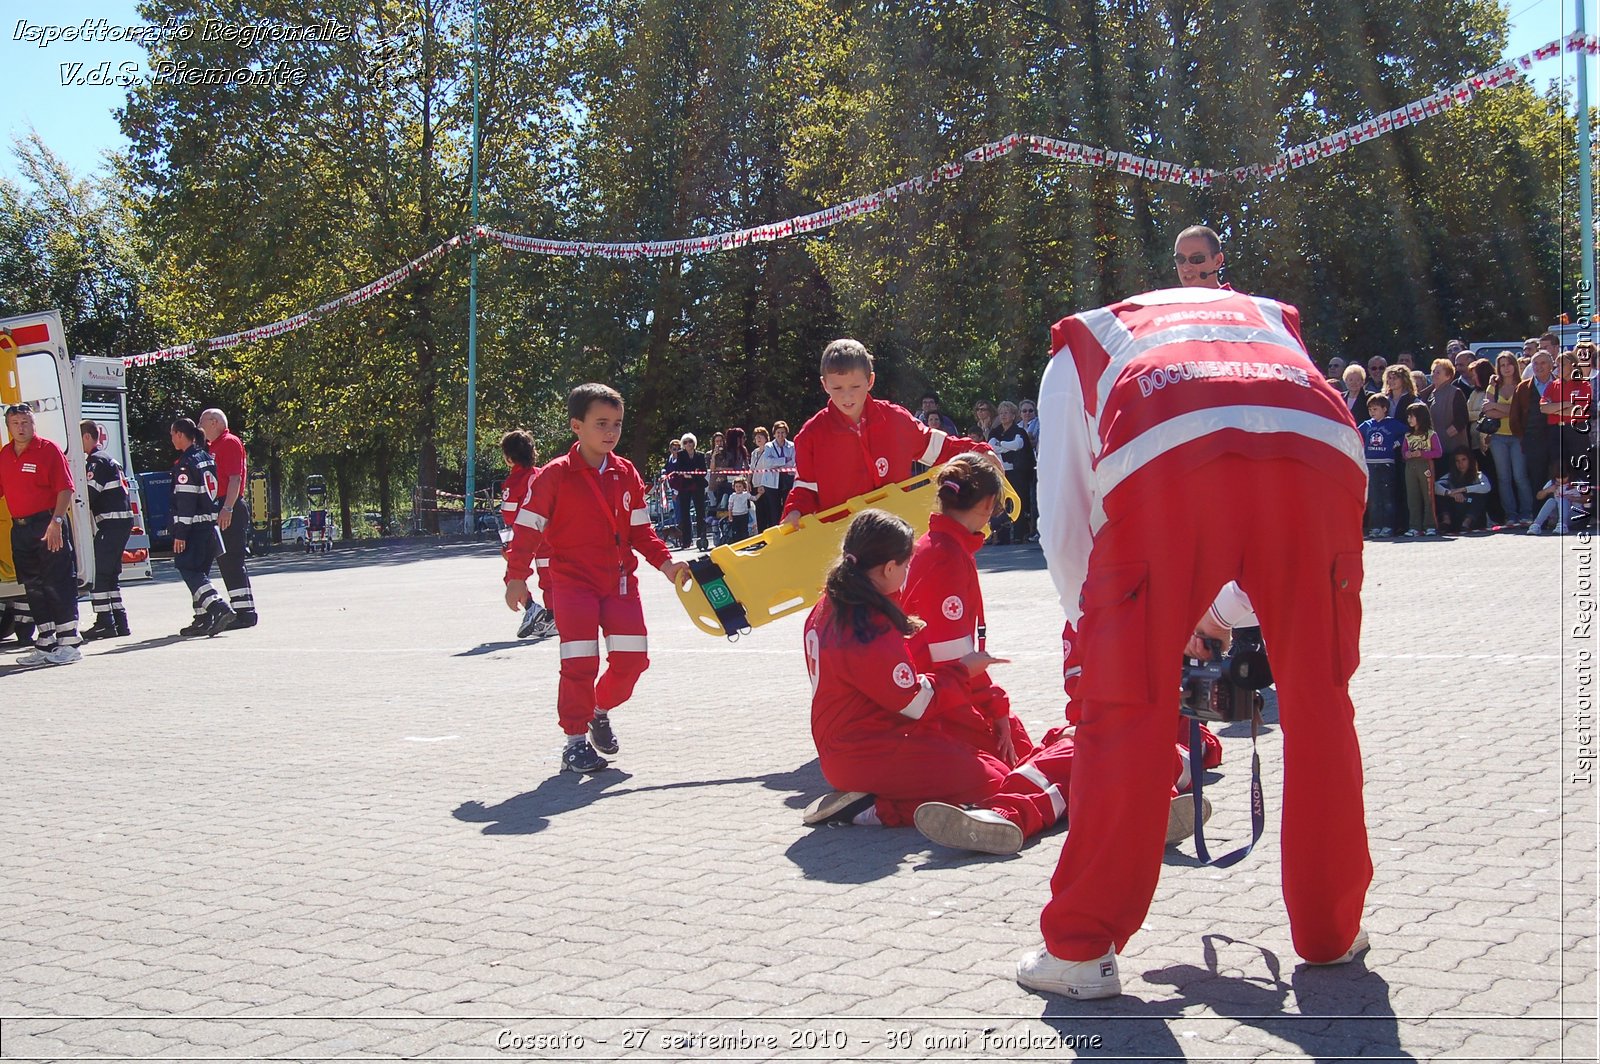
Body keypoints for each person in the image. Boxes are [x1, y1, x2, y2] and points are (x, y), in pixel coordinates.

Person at [1024, 284, 1371, 1000]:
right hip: (1325, 451)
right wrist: (1229, 607)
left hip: (1166, 459)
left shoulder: (1082, 344)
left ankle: (1082, 948)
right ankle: (1331, 932)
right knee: (1321, 702)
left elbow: (1065, 523)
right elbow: (1269, 486)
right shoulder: (1274, 320)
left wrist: (1102, 630)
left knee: (1122, 712)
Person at [797, 508, 1078, 854]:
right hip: (870, 749)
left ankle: (879, 802)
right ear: (888, 568)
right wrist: (963, 670)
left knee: (994, 761)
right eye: (905, 565)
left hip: (860, 742)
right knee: (992, 781)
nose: (909, 572)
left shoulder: (830, 605)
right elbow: (916, 702)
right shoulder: (866, 626)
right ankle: (874, 810)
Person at [501, 383, 689, 774]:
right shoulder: (554, 476)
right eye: (601, 423)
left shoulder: (625, 473)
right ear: (576, 425)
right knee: (579, 663)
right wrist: (516, 577)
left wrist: (668, 565)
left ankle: (597, 712)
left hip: (620, 585)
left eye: (617, 424)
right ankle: (573, 743)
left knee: (633, 662)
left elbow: (642, 532)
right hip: (572, 585)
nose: (610, 432)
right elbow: (527, 529)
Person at [782, 339, 993, 526]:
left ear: (870, 381)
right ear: (824, 385)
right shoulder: (811, 435)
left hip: (896, 540)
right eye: (837, 388)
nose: (847, 396)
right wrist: (794, 511)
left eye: (855, 386)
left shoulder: (896, 420)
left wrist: (980, 452)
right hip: (841, 547)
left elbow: (939, 447)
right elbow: (805, 489)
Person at [0, 403, 81, 664]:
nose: (21, 427)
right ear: (8, 426)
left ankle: (69, 642)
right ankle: (46, 642)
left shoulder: (48, 450)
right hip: (20, 528)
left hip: (48, 524)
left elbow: (66, 489)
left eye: (26, 422)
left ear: (33, 424)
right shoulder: (4, 454)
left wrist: (56, 521)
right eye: (16, 423)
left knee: (56, 581)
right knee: (33, 585)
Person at [169, 417, 235, 638]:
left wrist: (181, 533)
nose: (171, 439)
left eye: (172, 435)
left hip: (194, 528)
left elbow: (186, 502)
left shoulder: (186, 464)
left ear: (180, 434)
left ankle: (218, 608)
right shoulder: (206, 457)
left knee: (188, 569)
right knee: (201, 574)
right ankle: (203, 618)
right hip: (209, 526)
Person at [198, 409, 257, 629]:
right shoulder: (212, 446)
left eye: (201, 421)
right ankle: (239, 609)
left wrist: (228, 508)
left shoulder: (229, 442)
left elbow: (235, 478)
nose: (198, 425)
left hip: (229, 505)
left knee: (232, 559)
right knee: (225, 561)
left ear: (214, 422)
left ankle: (245, 613)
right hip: (220, 505)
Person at [80, 419, 134, 640]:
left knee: (100, 573)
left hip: (110, 523)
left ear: (86, 437)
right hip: (119, 522)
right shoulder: (110, 459)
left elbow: (89, 495)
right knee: (110, 574)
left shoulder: (96, 462)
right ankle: (119, 621)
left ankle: (105, 622)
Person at [499, 430, 555, 640]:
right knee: (549, 576)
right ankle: (552, 617)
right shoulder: (542, 475)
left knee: (513, 576)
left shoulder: (514, 482)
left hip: (526, 535)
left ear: (509, 457)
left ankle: (531, 607)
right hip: (547, 533)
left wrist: (508, 544)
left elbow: (510, 515)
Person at [1484, 351, 1535, 527]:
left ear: (1515, 365)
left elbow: (1521, 412)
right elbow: (1487, 411)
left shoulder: (1523, 386)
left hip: (1517, 436)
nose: (1506, 368)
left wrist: (1497, 407)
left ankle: (1527, 513)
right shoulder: (1493, 387)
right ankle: (1511, 515)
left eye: (1509, 364)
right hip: (1498, 437)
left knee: (1520, 476)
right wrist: (1506, 409)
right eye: (1502, 365)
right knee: (1503, 478)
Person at [1541, 349, 1593, 480]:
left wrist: (1555, 410)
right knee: (1559, 468)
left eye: (1562, 365)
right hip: (1555, 431)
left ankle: (1581, 498)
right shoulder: (1552, 386)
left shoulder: (1583, 385)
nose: (1558, 368)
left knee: (1579, 467)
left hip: (1576, 430)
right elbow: (1543, 408)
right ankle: (1561, 498)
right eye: (1557, 365)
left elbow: (1579, 411)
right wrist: (1566, 404)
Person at [989, 400, 1036, 541]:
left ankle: (1019, 535)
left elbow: (1017, 445)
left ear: (1013, 415)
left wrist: (1001, 444)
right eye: (1001, 413)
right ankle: (1002, 536)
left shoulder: (1019, 431)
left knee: (1018, 502)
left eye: (1006, 413)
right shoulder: (995, 431)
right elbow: (991, 447)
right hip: (1001, 472)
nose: (1003, 416)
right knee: (1001, 503)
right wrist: (1003, 446)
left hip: (1017, 472)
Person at [1358, 394, 1404, 538]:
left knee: (1387, 497)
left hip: (1386, 464)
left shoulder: (1392, 424)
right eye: (1370, 409)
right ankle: (1375, 526)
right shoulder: (1367, 424)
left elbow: (1407, 432)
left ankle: (1388, 526)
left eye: (1375, 409)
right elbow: (1356, 433)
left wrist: (1397, 444)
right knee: (1374, 497)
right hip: (1371, 465)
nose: (1372, 412)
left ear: (1385, 409)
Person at [1518, 350, 1559, 498]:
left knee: (1558, 478)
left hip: (1557, 439)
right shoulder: (1523, 387)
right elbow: (1515, 416)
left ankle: (1558, 515)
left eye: (1543, 363)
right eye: (1535, 363)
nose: (1539, 366)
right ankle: (1538, 518)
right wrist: (1523, 437)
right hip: (1533, 441)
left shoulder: (1560, 384)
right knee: (1536, 479)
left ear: (1551, 365)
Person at [1400, 405, 1442, 537]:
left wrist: (1422, 453)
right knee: (1412, 497)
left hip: (1425, 466)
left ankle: (1430, 526)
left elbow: (1438, 452)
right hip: (1410, 467)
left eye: (1412, 416)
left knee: (1428, 496)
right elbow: (1403, 452)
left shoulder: (1431, 434)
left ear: (1421, 417)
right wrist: (1407, 454)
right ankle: (1414, 526)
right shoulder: (1408, 435)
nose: (1409, 419)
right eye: (1408, 416)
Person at [665, 432, 710, 550]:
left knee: (700, 512)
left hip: (698, 486)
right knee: (684, 514)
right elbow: (680, 471)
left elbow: (703, 471)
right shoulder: (680, 455)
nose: (688, 444)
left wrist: (692, 474)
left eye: (690, 441)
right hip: (684, 487)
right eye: (685, 442)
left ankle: (702, 537)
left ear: (694, 443)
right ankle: (686, 541)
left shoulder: (700, 455)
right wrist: (692, 473)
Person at [1426, 360, 1469, 477]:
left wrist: (1444, 436)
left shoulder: (1455, 392)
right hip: (1435, 451)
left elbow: (1461, 420)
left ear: (1448, 376)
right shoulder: (1430, 394)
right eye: (1433, 371)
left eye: (1438, 372)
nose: (1433, 374)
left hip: (1452, 450)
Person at [1434, 448, 1492, 533]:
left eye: (1464, 460)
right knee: (1442, 493)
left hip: (1471, 509)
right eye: (1457, 461)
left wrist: (1463, 489)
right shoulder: (1450, 476)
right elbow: (1435, 486)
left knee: (1480, 494)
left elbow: (1486, 487)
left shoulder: (1478, 475)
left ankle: (1467, 522)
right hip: (1455, 511)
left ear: (1470, 460)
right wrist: (1450, 493)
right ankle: (1446, 521)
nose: (1461, 464)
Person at [753, 420, 796, 531]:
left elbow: (792, 462)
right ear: (774, 434)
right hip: (772, 483)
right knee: (774, 509)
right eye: (778, 433)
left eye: (782, 432)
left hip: (787, 480)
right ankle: (776, 531)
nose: (780, 435)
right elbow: (767, 462)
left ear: (786, 434)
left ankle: (788, 530)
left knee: (787, 507)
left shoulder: (791, 445)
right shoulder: (769, 446)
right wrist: (784, 460)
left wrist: (776, 463)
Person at [1530, 470, 1583, 534]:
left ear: (1569, 475)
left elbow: (1588, 499)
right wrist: (1548, 490)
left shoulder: (1577, 482)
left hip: (1574, 514)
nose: (1561, 480)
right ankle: (1536, 525)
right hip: (1557, 515)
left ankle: (1563, 526)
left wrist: (1574, 499)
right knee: (1551, 501)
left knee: (1563, 499)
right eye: (1558, 478)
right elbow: (1538, 496)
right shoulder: (1552, 482)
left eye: (1564, 477)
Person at [1172, 224, 1225, 288]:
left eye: (1196, 259)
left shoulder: (1236, 298)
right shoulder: (1165, 297)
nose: (1186, 267)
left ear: (1217, 261)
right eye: (1180, 259)